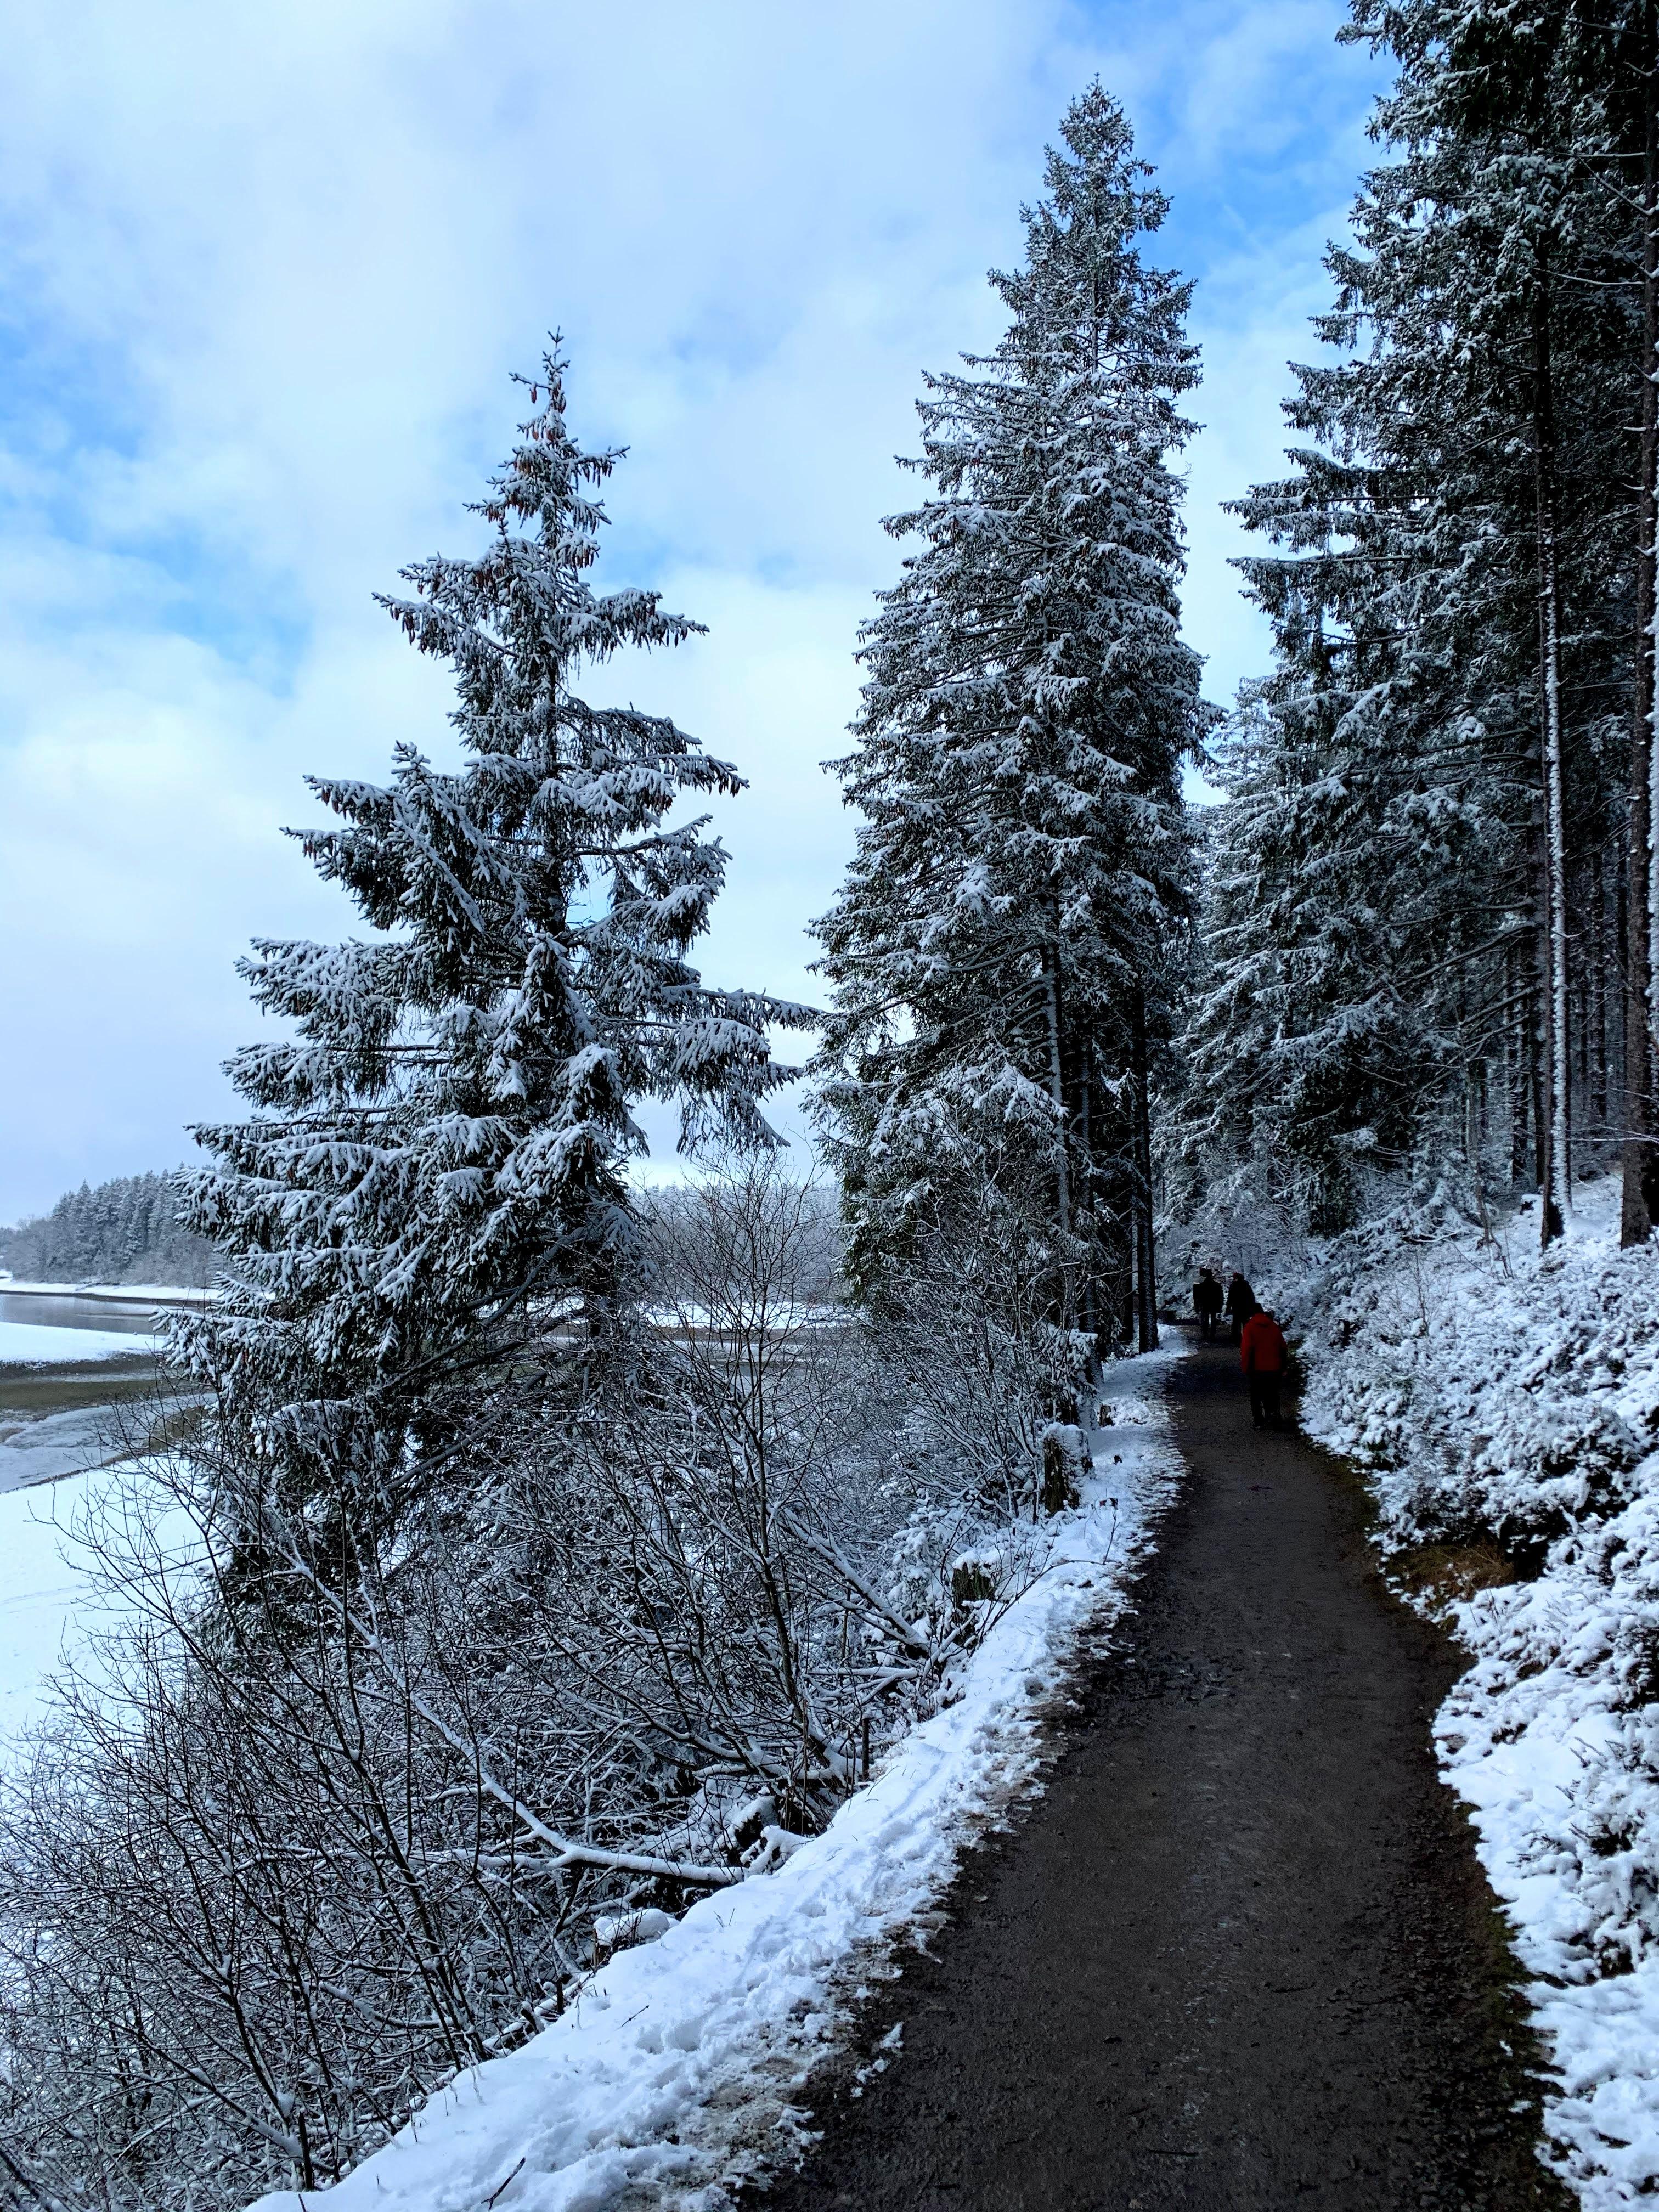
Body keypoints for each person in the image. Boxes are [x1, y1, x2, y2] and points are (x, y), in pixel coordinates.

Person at [1240, 1304, 1289, 1430]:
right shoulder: (1274, 1327)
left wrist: (1246, 1368)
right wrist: (1284, 1367)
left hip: (1257, 1369)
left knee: (1256, 1395)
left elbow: (1246, 1350)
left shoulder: (1249, 1327)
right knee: (1273, 1393)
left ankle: (1259, 1421)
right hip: (1275, 1368)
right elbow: (1283, 1348)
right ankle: (1275, 1417)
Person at [1224, 1270, 1257, 1345]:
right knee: (1246, 1325)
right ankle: (1247, 1340)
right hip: (1246, 1309)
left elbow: (1230, 1298)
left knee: (1236, 1325)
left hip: (1237, 1309)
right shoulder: (1247, 1287)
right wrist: (1252, 1309)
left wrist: (1228, 1308)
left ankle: (1236, 1340)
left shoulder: (1234, 1286)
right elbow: (1252, 1298)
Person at [1192, 1266, 1223, 1341]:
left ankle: (1205, 1333)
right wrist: (1220, 1306)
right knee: (1213, 1319)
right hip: (1213, 1305)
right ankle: (1212, 1333)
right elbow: (1221, 1297)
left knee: (1204, 1319)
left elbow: (1198, 1297)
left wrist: (1197, 1305)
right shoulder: (1217, 1286)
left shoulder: (1202, 1285)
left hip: (1205, 1305)